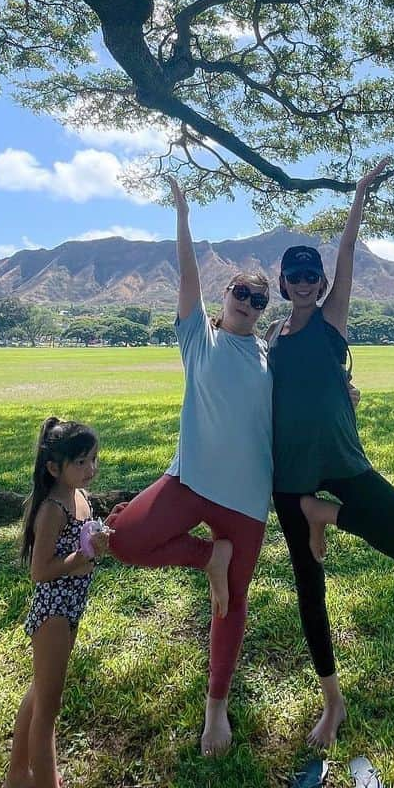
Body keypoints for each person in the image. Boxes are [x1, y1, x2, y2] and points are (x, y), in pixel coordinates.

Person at [269, 159, 394, 748]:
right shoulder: (271, 338)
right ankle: (331, 702)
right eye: (294, 276)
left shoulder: (331, 322)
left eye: (312, 276)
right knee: (308, 592)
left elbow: (347, 252)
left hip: (343, 462)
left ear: (321, 284)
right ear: (284, 282)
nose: (305, 282)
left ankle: (327, 515)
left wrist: (360, 194)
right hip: (289, 478)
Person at [107, 177, 271, 756]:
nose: (248, 304)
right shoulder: (198, 340)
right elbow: (188, 278)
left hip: (247, 498)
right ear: (224, 297)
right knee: (122, 539)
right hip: (190, 480)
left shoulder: (268, 359)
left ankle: (216, 711)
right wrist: (182, 215)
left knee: (231, 603)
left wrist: (345, 396)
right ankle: (209, 557)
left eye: (258, 300)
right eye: (241, 294)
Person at [0, 416, 112, 788]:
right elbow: (40, 571)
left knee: (39, 691)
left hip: (70, 609)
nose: (90, 469)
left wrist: (99, 535)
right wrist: (81, 560)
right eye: (81, 462)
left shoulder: (79, 497)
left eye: (93, 460)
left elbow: (84, 540)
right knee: (49, 708)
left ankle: (18, 777)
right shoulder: (51, 508)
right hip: (54, 612)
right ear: (54, 468)